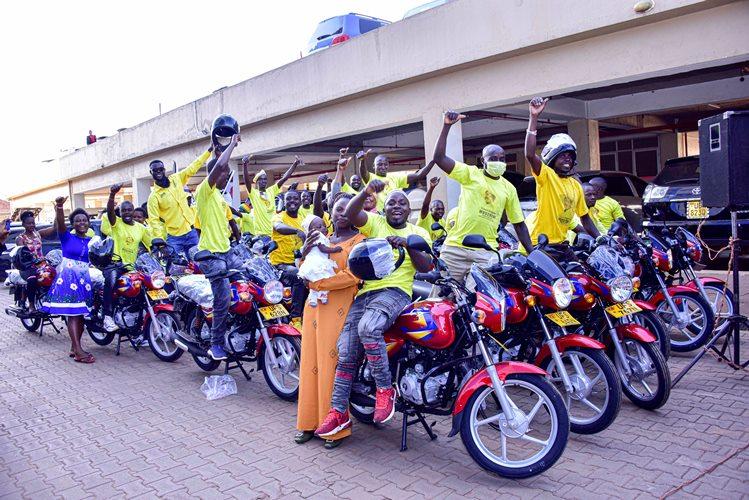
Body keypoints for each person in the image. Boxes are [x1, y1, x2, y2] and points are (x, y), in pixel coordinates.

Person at [315, 180, 432, 438]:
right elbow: (351, 212)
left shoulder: (418, 232)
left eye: (402, 203)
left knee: (369, 328)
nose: (397, 206)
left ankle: (385, 390)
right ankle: (338, 413)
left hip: (395, 292)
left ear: (409, 210)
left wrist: (408, 244)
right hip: (365, 293)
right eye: (392, 202)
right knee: (346, 350)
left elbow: (426, 267)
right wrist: (367, 191)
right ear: (384, 208)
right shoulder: (375, 223)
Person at [295, 193, 365, 449]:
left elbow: (353, 275)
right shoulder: (320, 237)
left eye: (348, 209)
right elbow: (304, 268)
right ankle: (308, 423)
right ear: (330, 212)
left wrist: (318, 283)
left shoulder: (360, 241)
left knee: (331, 368)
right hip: (314, 309)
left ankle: (335, 429)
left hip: (340, 308)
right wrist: (303, 253)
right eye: (338, 209)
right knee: (309, 365)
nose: (342, 213)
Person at [432, 111, 532, 282]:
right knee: (443, 292)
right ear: (483, 161)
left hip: (485, 252)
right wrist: (446, 126)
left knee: (483, 295)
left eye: (502, 159)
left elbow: (519, 224)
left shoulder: (509, 188)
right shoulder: (470, 173)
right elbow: (439, 158)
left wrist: (532, 252)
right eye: (493, 158)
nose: (498, 162)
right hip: (455, 249)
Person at [525, 97, 600, 249]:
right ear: (553, 159)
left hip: (561, 243)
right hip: (539, 244)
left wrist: (601, 238)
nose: (567, 159)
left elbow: (585, 218)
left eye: (570, 156)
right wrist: (533, 117)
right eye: (562, 155)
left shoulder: (576, 185)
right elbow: (530, 155)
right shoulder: (546, 176)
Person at [193, 135, 241, 361]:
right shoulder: (204, 192)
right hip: (210, 256)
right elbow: (219, 165)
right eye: (224, 173)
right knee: (223, 298)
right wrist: (232, 144)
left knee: (251, 282)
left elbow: (230, 224)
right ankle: (216, 343)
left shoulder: (221, 199)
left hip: (226, 252)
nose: (227, 176)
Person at [42, 197, 95, 363]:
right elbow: (60, 224)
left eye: (84, 220)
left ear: (88, 223)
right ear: (72, 224)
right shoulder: (67, 237)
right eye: (78, 220)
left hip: (84, 280)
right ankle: (78, 351)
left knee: (81, 315)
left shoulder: (90, 241)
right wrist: (59, 207)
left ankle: (74, 347)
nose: (81, 223)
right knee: (74, 314)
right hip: (69, 279)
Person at [99, 184, 154, 332]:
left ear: (133, 210)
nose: (127, 213)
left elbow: (151, 244)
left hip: (132, 267)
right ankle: (107, 317)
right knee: (111, 281)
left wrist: (162, 248)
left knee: (146, 287)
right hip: (115, 264)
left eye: (129, 210)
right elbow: (110, 211)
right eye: (124, 210)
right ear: (120, 212)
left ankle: (139, 325)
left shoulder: (141, 228)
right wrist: (112, 195)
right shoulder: (116, 224)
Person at [147, 145, 212, 256]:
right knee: (175, 265)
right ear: (151, 172)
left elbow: (192, 168)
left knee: (199, 262)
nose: (158, 172)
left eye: (161, 169)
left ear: (164, 170)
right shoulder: (153, 197)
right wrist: (160, 241)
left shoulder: (176, 179)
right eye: (155, 170)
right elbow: (154, 221)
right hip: (174, 238)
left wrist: (209, 151)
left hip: (192, 232)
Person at [270, 190, 307, 324]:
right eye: (289, 199)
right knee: (298, 275)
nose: (292, 201)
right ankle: (295, 318)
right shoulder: (278, 217)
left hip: (299, 262)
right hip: (280, 265)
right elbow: (278, 227)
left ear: (300, 201)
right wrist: (296, 231)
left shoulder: (303, 219)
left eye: (295, 198)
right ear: (284, 202)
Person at [242, 155, 301, 237]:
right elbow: (246, 181)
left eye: (265, 179)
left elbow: (284, 178)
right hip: (261, 234)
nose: (264, 181)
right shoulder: (254, 193)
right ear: (257, 182)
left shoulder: (271, 191)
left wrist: (295, 164)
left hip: (274, 233)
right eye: (261, 179)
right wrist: (245, 165)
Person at [358, 150, 432, 211]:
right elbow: (363, 172)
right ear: (374, 166)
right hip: (378, 216)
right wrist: (362, 160)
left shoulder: (395, 177)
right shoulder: (370, 177)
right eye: (380, 164)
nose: (383, 167)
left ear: (388, 165)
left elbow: (418, 175)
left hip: (393, 216)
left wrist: (433, 161)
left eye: (385, 164)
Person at [15, 211, 58, 313]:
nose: (31, 225)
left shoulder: (38, 234)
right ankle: (31, 305)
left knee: (56, 274)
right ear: (23, 224)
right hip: (27, 267)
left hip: (42, 265)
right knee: (32, 279)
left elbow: (55, 228)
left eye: (33, 223)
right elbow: (22, 253)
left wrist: (57, 211)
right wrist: (30, 258)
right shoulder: (20, 238)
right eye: (29, 223)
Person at [297, 215, 341, 307]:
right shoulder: (317, 236)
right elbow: (323, 249)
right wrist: (335, 249)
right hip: (317, 262)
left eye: (324, 225)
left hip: (314, 262)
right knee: (322, 278)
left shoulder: (318, 237)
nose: (323, 228)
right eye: (319, 227)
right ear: (311, 230)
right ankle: (322, 296)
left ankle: (313, 299)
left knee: (315, 281)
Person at [417, 177, 446, 242]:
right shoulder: (425, 217)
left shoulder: (442, 221)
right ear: (431, 209)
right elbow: (425, 205)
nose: (441, 211)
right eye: (438, 209)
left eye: (442, 209)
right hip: (420, 245)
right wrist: (431, 188)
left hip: (433, 247)